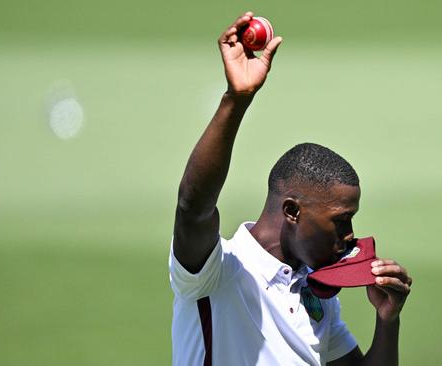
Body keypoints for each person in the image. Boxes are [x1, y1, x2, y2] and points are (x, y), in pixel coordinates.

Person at [169, 11, 413, 366]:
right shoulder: (216, 272)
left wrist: (388, 320)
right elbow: (193, 207)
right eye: (341, 221)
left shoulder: (317, 295)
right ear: (292, 211)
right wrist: (236, 100)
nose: (349, 236)